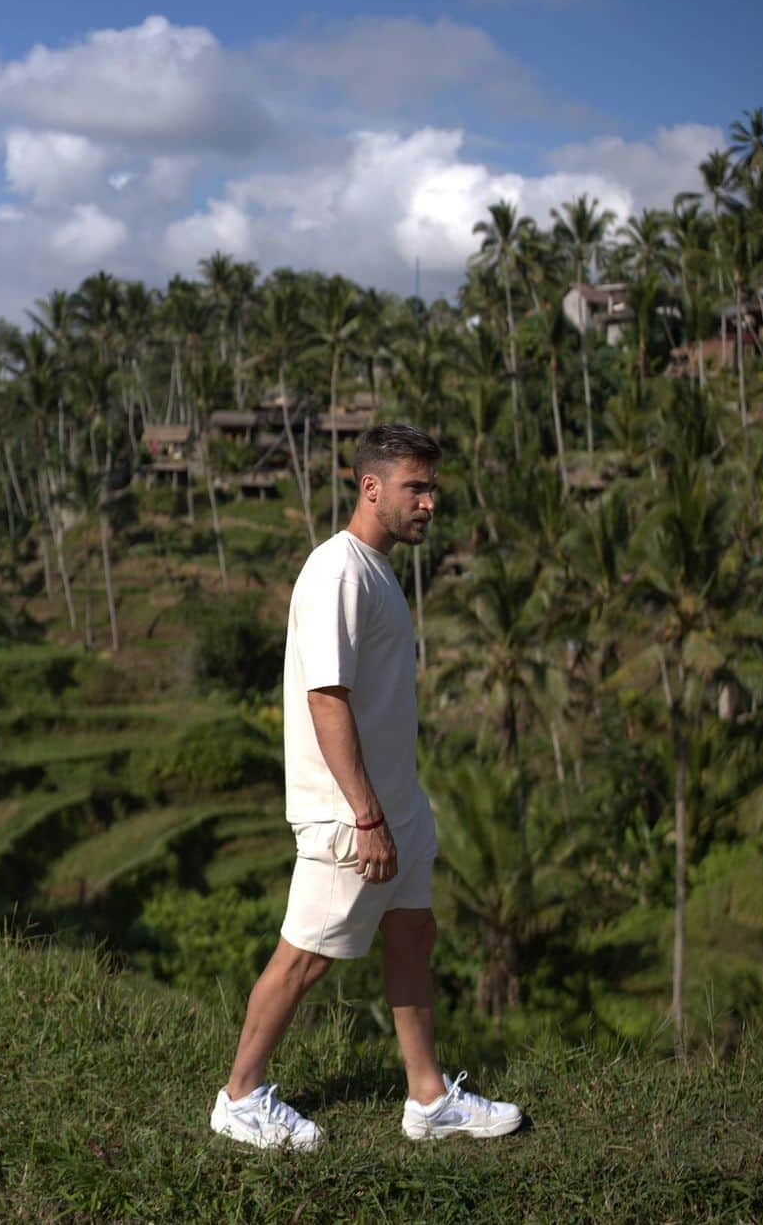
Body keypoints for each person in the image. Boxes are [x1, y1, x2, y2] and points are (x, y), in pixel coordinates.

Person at [211, 423, 522, 1150]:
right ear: (370, 487)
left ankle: (427, 1098)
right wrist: (366, 815)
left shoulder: (376, 568)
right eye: (416, 487)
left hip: (395, 804)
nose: (430, 503)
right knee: (307, 954)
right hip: (352, 811)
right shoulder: (338, 572)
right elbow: (327, 698)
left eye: (433, 487)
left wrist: (395, 811)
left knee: (414, 934)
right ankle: (240, 1097)